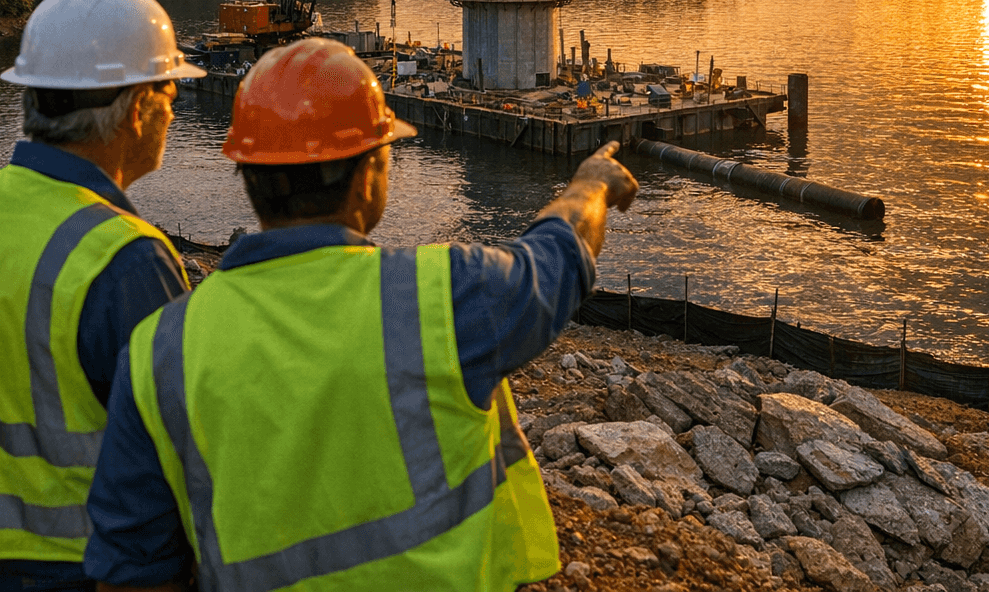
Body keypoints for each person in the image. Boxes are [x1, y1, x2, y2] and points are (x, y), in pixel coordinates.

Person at [85, 38, 638, 592]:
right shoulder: (444, 297)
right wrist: (591, 185)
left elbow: (132, 568)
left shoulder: (160, 349)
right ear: (371, 169)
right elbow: (560, 255)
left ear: (248, 173)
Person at [0, 0, 207, 592]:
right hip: (96, 563)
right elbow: (176, 452)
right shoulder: (122, 257)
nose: (175, 109)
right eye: (170, 88)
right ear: (139, 106)